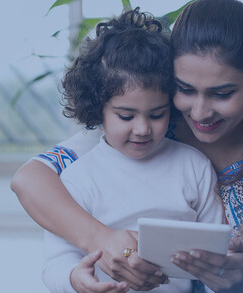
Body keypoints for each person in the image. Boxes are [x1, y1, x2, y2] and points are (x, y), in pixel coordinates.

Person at [11, 0, 243, 292]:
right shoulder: (154, 120)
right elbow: (28, 179)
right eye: (185, 89)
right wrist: (103, 242)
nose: (200, 112)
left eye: (222, 93)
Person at [39, 8, 225, 293]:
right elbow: (56, 262)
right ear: (97, 109)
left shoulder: (194, 166)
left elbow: (216, 258)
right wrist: (75, 279)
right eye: (126, 116)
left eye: (157, 114)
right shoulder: (77, 179)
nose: (142, 129)